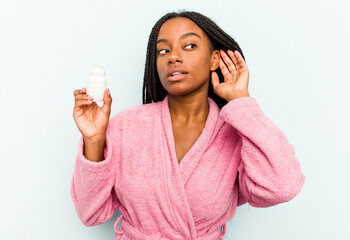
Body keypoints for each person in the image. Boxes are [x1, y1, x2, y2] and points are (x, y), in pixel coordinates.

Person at [71, 10, 305, 240]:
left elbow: (281, 187)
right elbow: (91, 214)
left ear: (214, 59)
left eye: (189, 46)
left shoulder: (236, 133)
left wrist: (241, 102)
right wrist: (94, 140)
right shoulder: (126, 126)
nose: (173, 57)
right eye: (163, 50)